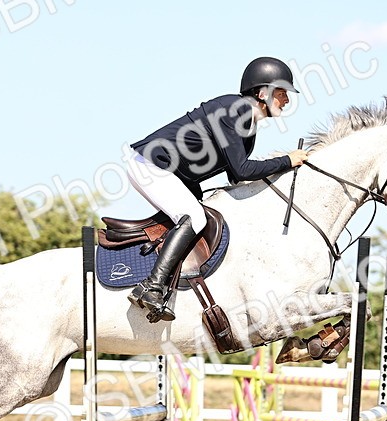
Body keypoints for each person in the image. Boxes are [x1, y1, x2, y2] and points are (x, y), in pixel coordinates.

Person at [124, 56, 310, 322]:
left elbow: (236, 179)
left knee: (203, 214)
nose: (287, 101)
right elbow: (241, 171)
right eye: (282, 93)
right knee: (194, 217)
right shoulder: (236, 110)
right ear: (263, 92)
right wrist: (286, 161)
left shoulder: (248, 123)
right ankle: (152, 287)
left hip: (168, 171)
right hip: (150, 165)